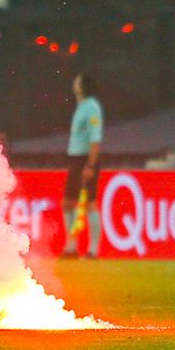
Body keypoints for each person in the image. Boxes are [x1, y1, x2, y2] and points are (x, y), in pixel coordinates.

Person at [62, 72, 103, 258]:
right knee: (68, 204)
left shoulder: (92, 108)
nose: (74, 82)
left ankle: (93, 250)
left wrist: (90, 166)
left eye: (78, 80)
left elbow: (95, 140)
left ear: (83, 85)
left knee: (90, 205)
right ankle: (72, 246)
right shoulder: (81, 107)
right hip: (76, 160)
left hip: (85, 160)